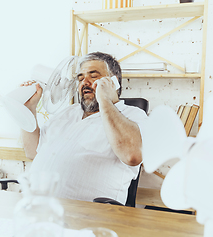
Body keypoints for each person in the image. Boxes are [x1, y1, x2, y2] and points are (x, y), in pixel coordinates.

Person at [21, 52, 148, 205]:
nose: (84, 82)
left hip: (89, 217)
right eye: (80, 78)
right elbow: (32, 151)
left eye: (93, 76)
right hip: (36, 208)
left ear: (113, 82)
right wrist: (28, 110)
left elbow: (132, 156)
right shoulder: (67, 113)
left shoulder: (133, 114)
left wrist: (105, 99)